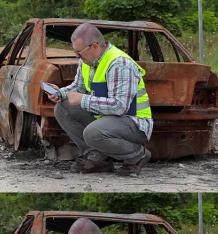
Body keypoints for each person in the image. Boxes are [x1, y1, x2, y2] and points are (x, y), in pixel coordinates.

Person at [48, 23, 153, 177]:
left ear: (95, 46)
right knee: (63, 107)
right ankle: (96, 158)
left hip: (134, 123)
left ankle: (137, 156)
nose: (78, 57)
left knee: (92, 132)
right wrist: (60, 93)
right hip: (109, 120)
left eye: (79, 53)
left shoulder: (119, 64)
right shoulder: (87, 62)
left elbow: (120, 107)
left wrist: (83, 100)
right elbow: (78, 87)